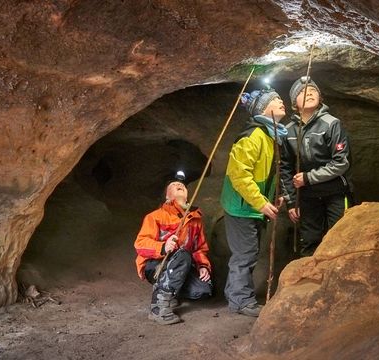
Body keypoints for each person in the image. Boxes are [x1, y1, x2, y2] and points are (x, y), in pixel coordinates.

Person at [220, 87, 287, 317]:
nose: (281, 101)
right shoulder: (253, 136)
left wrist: (273, 197)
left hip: (250, 207)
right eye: (275, 99)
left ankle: (235, 295)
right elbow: (239, 174)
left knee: (248, 251)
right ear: (262, 108)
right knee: (246, 253)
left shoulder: (269, 136)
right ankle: (241, 300)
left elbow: (266, 173)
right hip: (241, 207)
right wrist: (260, 202)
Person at [281, 76, 353, 258]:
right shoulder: (288, 131)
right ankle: (308, 282)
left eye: (313, 91)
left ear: (320, 97)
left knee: (339, 238)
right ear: (294, 103)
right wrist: (291, 202)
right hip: (307, 197)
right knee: (309, 240)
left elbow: (341, 162)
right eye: (303, 92)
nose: (310, 93)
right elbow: (285, 168)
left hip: (335, 192)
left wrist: (308, 178)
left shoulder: (331, 124)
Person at [134, 171, 212, 325]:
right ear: (167, 197)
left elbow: (199, 248)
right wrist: (163, 247)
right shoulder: (155, 216)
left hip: (181, 266)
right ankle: (159, 306)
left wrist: (203, 266)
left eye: (182, 185)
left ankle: (171, 291)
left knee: (203, 290)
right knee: (183, 255)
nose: (179, 185)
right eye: (174, 185)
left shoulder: (195, 220)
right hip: (156, 266)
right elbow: (140, 244)